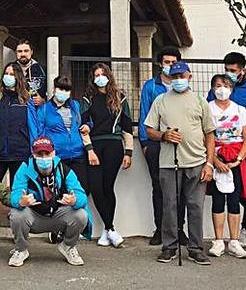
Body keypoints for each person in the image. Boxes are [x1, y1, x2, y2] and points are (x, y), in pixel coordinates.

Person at [145, 61, 215, 266]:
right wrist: (163, 135)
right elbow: (149, 130)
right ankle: (169, 247)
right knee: (169, 206)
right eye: (174, 77)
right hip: (168, 162)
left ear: (189, 77)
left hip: (196, 161)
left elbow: (210, 133)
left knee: (195, 206)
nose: (178, 80)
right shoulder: (160, 100)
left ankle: (195, 248)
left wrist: (209, 163)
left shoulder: (200, 100)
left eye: (181, 76)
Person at [208, 51, 246, 248]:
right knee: (219, 195)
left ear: (243, 70)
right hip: (217, 152)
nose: (229, 74)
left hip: (245, 150)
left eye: (233, 71)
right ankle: (219, 240)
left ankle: (245, 230)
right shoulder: (212, 96)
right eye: (226, 70)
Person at [8, 136, 89, 267]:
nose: (44, 157)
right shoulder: (24, 168)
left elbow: (81, 196)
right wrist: (21, 201)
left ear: (54, 153)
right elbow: (15, 195)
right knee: (17, 214)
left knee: (81, 214)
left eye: (47, 153)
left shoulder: (64, 169)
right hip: (34, 217)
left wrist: (74, 200)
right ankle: (21, 250)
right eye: (40, 154)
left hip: (58, 215)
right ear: (33, 154)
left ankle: (68, 246)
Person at [80, 62, 133, 248]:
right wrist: (89, 150)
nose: (100, 77)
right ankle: (111, 229)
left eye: (103, 74)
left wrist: (128, 152)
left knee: (108, 187)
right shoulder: (88, 98)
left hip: (113, 146)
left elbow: (127, 127)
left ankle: (106, 230)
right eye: (96, 75)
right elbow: (83, 126)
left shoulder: (121, 97)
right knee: (96, 188)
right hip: (95, 145)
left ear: (109, 76)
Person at [138, 46, 183, 245]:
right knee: (159, 187)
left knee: (179, 188)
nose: (170, 66)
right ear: (160, 64)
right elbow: (143, 116)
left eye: (174, 63)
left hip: (179, 143)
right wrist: (145, 143)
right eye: (167, 62)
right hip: (155, 142)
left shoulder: (182, 86)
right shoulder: (150, 86)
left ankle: (179, 229)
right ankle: (160, 229)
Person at [205, 74, 246, 259]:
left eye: (225, 85)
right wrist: (214, 160)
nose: (221, 89)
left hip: (236, 158)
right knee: (218, 200)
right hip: (216, 157)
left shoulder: (240, 110)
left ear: (232, 89)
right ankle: (218, 241)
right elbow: (204, 136)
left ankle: (234, 241)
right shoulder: (207, 108)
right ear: (212, 88)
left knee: (234, 200)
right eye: (217, 85)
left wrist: (239, 159)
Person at [0, 62, 39, 183]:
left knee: (19, 192)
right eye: (6, 73)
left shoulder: (27, 100)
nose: (8, 76)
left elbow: (33, 126)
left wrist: (34, 150)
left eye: (12, 74)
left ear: (18, 77)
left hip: (20, 153)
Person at [29, 76, 88, 187]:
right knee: (60, 190)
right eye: (61, 89)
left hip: (78, 155)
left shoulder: (75, 105)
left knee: (82, 188)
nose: (63, 92)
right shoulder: (44, 109)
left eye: (66, 90)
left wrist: (87, 126)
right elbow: (39, 134)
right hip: (57, 157)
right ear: (54, 89)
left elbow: (85, 121)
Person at [14, 39, 47, 106]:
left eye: (26, 51)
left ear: (31, 52)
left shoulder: (42, 70)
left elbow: (51, 91)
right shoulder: (10, 70)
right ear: (16, 52)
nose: (23, 54)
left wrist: (44, 100)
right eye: (20, 51)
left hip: (36, 112)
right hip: (15, 111)